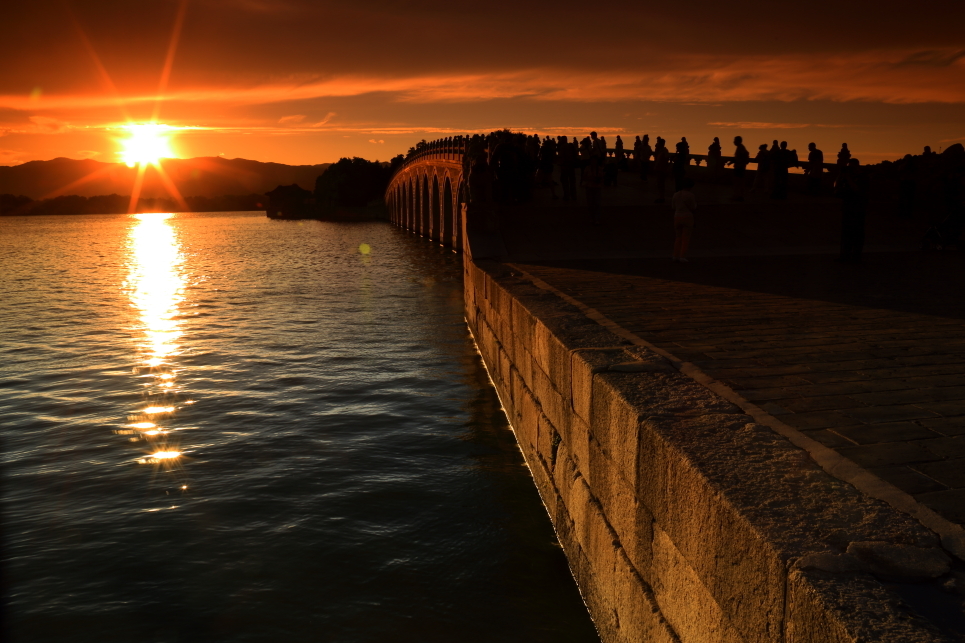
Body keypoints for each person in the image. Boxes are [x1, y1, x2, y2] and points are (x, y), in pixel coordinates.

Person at [835, 158, 867, 263]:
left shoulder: (862, 177)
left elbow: (857, 189)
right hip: (847, 207)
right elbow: (836, 187)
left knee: (857, 234)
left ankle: (856, 256)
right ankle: (845, 255)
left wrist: (848, 178)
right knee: (846, 234)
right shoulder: (846, 177)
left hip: (858, 208)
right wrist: (840, 175)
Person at [672, 178, 697, 262]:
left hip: (677, 216)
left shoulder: (676, 195)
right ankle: (682, 256)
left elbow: (673, 207)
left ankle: (675, 255)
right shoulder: (691, 195)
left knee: (678, 237)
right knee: (686, 238)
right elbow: (693, 207)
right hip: (688, 216)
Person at [582, 155, 605, 224]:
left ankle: (596, 218)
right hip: (589, 186)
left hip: (597, 187)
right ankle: (592, 217)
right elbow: (584, 177)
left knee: (597, 203)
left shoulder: (600, 169)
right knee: (590, 203)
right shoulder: (587, 168)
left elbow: (602, 178)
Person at [727, 136, 750, 201]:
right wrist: (731, 162)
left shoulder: (741, 148)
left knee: (738, 182)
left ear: (738, 141)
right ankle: (738, 195)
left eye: (735, 140)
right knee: (738, 182)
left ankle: (738, 196)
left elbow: (744, 156)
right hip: (739, 167)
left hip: (739, 167)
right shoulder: (740, 148)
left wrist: (741, 163)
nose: (734, 142)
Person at [653, 137, 670, 203]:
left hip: (661, 170)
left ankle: (662, 197)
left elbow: (666, 160)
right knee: (659, 184)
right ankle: (661, 197)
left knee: (661, 184)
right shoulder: (661, 151)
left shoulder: (664, 151)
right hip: (659, 169)